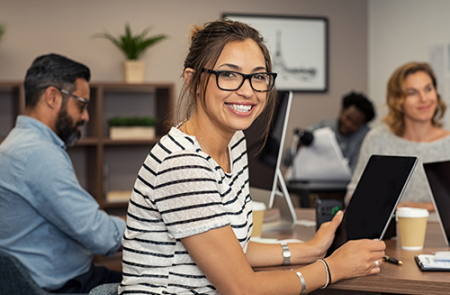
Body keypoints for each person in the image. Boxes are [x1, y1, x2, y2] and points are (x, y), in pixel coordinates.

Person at [119, 19, 385, 295]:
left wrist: (310, 249)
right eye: (229, 74)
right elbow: (242, 288)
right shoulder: (183, 163)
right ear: (193, 81)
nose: (247, 91)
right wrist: (332, 268)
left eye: (258, 76)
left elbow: (232, 248)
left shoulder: (234, 142)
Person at [0, 54, 126, 293]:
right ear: (52, 97)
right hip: (63, 287)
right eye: (81, 105)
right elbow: (101, 236)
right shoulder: (38, 154)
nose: (86, 116)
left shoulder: (13, 145)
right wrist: (146, 226)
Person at [345, 62, 450, 211]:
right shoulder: (378, 139)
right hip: (387, 232)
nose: (424, 98)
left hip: (439, 233)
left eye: (428, 89)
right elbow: (353, 195)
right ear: (398, 101)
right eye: (412, 93)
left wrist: (419, 207)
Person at [283, 91, 376, 173]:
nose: (348, 124)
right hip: (314, 186)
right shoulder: (320, 128)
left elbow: (356, 172)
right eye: (348, 118)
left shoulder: (365, 136)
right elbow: (286, 161)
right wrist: (299, 146)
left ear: (362, 125)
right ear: (342, 110)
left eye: (355, 124)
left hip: (346, 189)